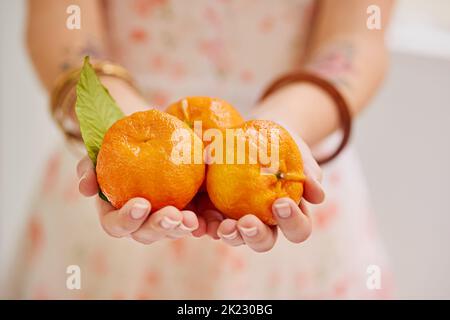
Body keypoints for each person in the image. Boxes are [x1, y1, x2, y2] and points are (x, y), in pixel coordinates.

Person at [8, 0, 394, 299]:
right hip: (130, 156)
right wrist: (123, 125)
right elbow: (60, 24)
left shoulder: (279, 147)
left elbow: (359, 36)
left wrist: (280, 127)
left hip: (291, 148)